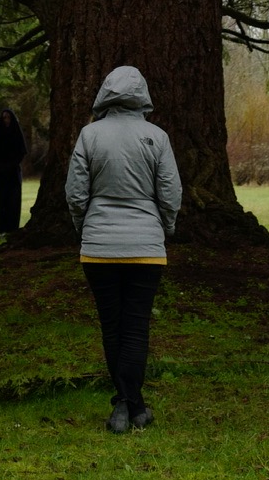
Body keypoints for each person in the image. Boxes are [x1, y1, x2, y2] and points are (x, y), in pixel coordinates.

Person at [65, 65, 182, 436]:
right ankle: (133, 405)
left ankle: (125, 404)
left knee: (111, 326)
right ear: (141, 95)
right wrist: (165, 228)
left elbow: (75, 194)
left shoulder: (89, 135)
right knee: (136, 326)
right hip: (146, 247)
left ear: (106, 94)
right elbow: (171, 194)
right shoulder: (157, 137)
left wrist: (85, 228)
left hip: (98, 248)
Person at [0, 107, 28, 235]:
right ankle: (0, 229)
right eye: (4, 118)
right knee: (0, 203)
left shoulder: (16, 134)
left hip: (13, 174)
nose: (6, 120)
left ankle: (12, 229)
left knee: (13, 203)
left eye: (8, 117)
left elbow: (21, 152)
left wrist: (10, 165)